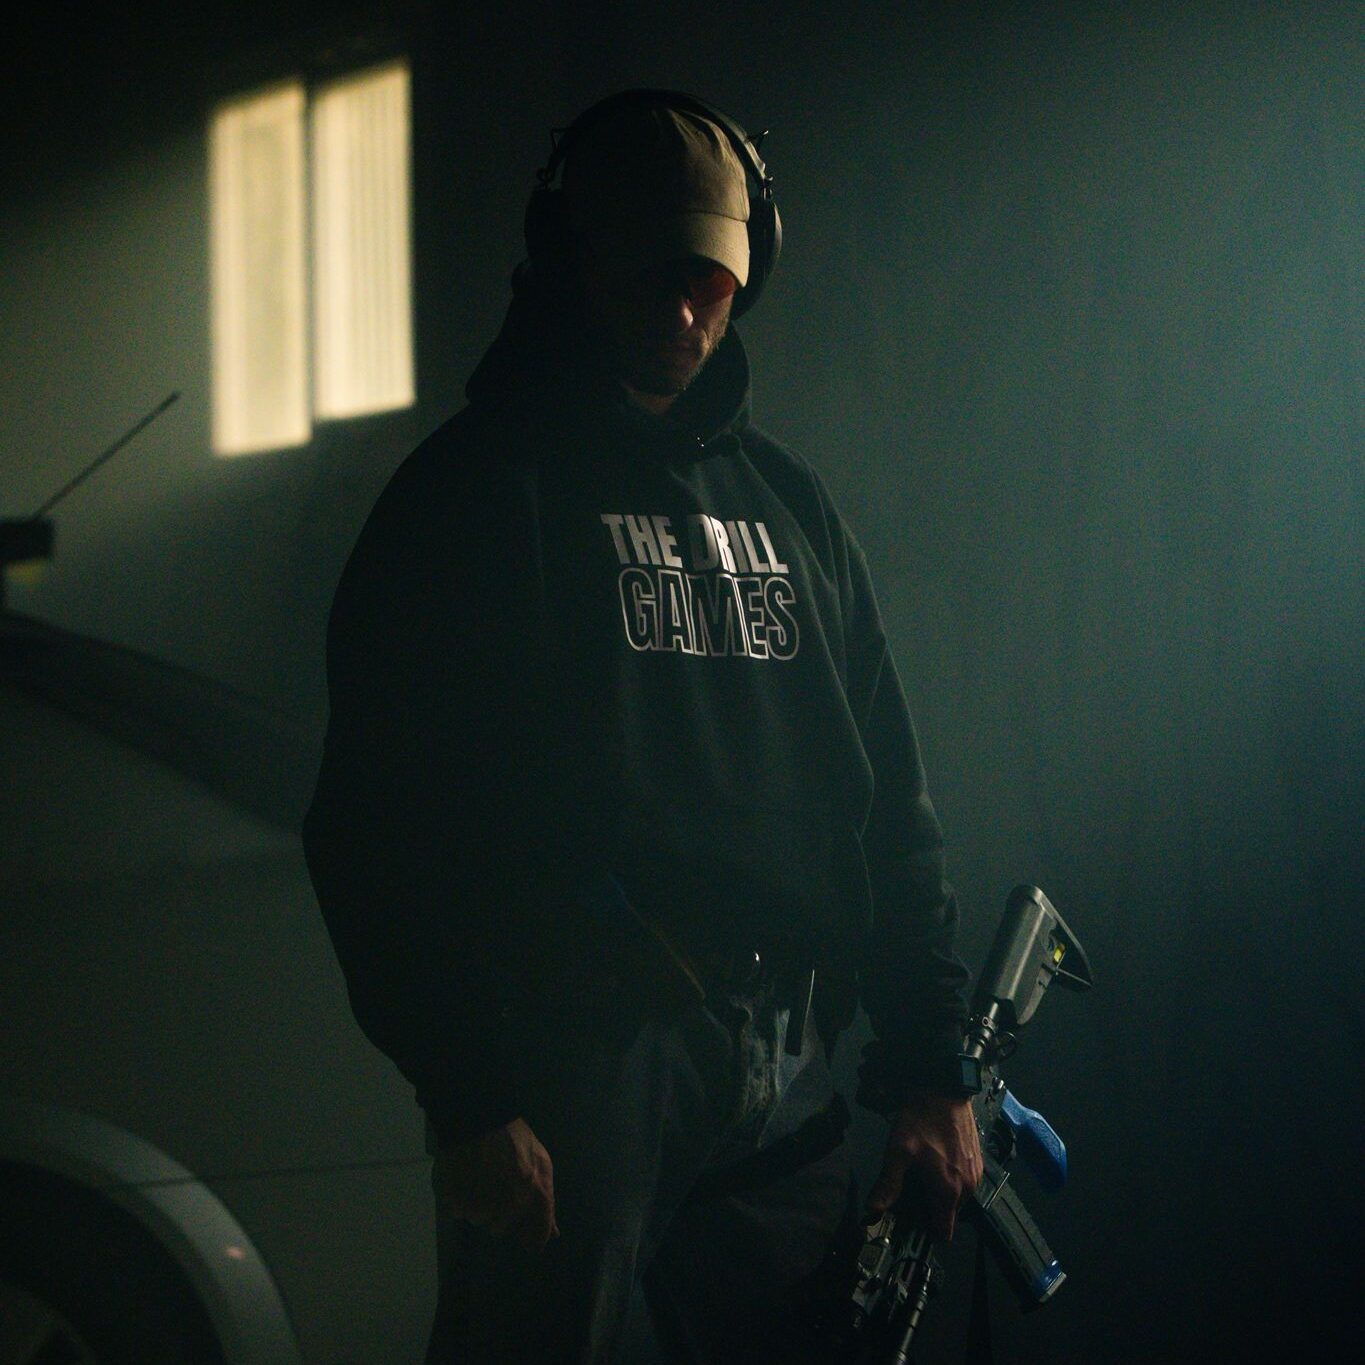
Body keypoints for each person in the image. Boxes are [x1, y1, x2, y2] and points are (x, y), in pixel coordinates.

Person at [302, 89, 983, 1363]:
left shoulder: (793, 509)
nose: (682, 315)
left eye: (709, 281)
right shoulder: (474, 500)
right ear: (572, 262)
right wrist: (466, 1092)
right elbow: (373, 827)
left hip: (783, 1068)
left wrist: (933, 1067)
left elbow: (890, 802)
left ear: (750, 269)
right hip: (571, 1068)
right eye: (649, 277)